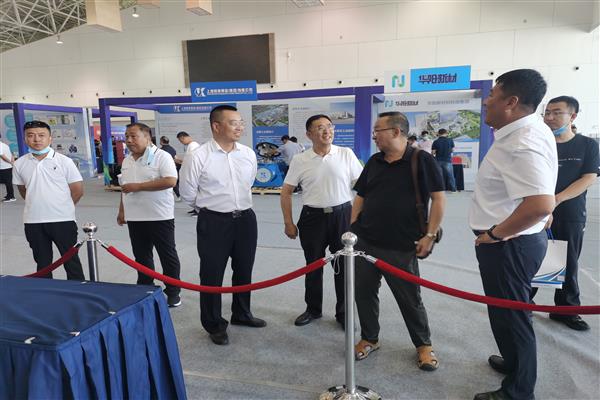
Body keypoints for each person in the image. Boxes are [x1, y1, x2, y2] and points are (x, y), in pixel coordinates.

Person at [469, 69, 557, 400]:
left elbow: (540, 203)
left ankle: (518, 391)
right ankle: (513, 362)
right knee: (504, 310)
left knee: (514, 315)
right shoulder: (528, 130)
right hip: (516, 239)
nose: (486, 101)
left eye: (492, 94)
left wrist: (495, 234)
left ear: (512, 102)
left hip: (509, 244)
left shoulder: (522, 142)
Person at [351, 111, 445, 371]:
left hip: (402, 245)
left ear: (395, 131)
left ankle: (423, 345)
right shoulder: (375, 161)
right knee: (364, 293)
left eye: (377, 130)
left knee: (409, 298)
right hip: (366, 242)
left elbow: (438, 198)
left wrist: (429, 235)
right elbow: (361, 195)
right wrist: (354, 226)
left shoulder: (421, 160)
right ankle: (369, 338)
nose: (374, 136)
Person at [179, 105, 266, 346]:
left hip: (246, 219)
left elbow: (249, 182)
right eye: (233, 122)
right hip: (214, 221)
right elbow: (187, 192)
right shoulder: (198, 156)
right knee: (212, 273)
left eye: (241, 122)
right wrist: (210, 209)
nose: (240, 127)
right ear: (216, 126)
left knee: (244, 269)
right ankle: (213, 323)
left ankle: (242, 313)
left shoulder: (247, 154)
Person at [280, 114, 363, 328]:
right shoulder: (301, 159)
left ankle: (343, 313)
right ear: (309, 134)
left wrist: (359, 219)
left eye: (329, 126)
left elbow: (363, 188)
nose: (327, 131)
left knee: (344, 267)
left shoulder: (345, 153)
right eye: (320, 127)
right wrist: (288, 222)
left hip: (342, 216)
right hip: (312, 218)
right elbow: (286, 192)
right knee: (313, 265)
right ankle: (313, 309)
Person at [532, 95, 599, 331]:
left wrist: (556, 201)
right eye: (547, 112)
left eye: (556, 112)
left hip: (570, 212)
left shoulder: (587, 145)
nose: (550, 117)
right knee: (533, 258)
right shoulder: (538, 143)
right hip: (534, 210)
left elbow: (588, 178)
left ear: (572, 116)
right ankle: (522, 304)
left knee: (568, 261)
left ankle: (566, 309)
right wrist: (542, 207)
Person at [117, 123, 182, 308]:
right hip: (135, 216)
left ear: (147, 137)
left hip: (159, 216)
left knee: (167, 255)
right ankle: (145, 288)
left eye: (133, 136)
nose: (129, 140)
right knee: (141, 256)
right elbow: (125, 188)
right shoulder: (127, 160)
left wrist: (139, 187)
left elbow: (170, 180)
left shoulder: (162, 156)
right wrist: (122, 210)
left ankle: (173, 291)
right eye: (127, 136)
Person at [12, 120, 85, 280]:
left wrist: (63, 206)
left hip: (63, 220)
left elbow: (78, 190)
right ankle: (45, 291)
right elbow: (24, 191)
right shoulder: (19, 164)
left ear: (50, 138)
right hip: (33, 221)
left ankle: (78, 290)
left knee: (71, 261)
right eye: (31, 135)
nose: (36, 139)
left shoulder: (64, 161)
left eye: (41, 135)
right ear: (25, 139)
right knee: (42, 263)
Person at [176, 131, 199, 215]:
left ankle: (198, 209)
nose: (181, 142)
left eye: (180, 140)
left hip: (192, 173)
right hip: (190, 172)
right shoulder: (191, 146)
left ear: (183, 137)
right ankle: (196, 209)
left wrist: (181, 161)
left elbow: (191, 161)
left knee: (193, 192)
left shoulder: (193, 146)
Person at [160, 136, 181, 201]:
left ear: (161, 141)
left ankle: (178, 195)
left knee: (171, 182)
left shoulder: (161, 150)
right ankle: (178, 194)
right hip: (175, 166)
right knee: (175, 181)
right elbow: (176, 157)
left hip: (167, 167)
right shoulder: (172, 148)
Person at [0, 136, 16, 202]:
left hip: (4, 167)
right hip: (7, 166)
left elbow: (2, 155)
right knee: (8, 182)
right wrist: (12, 162)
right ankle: (9, 195)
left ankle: (11, 197)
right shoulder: (5, 145)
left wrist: (10, 162)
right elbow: (12, 153)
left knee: (8, 182)